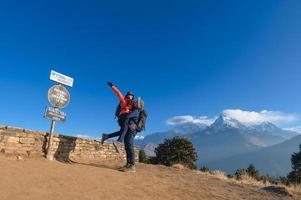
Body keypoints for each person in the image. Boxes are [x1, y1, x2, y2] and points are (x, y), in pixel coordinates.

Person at [101, 82, 136, 151]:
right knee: (125, 128)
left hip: (127, 118)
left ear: (133, 97)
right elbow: (118, 93)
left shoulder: (133, 104)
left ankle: (106, 136)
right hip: (123, 117)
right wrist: (112, 86)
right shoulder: (123, 100)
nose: (130, 96)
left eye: (131, 95)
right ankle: (119, 142)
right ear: (127, 95)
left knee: (122, 131)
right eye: (129, 95)